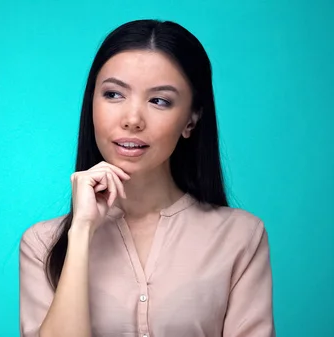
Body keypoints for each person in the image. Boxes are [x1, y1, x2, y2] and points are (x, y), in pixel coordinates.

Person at [19, 19, 275, 337]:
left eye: (159, 101)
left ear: (191, 119)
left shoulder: (240, 236)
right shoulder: (43, 245)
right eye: (113, 94)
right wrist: (81, 232)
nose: (132, 119)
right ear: (91, 103)